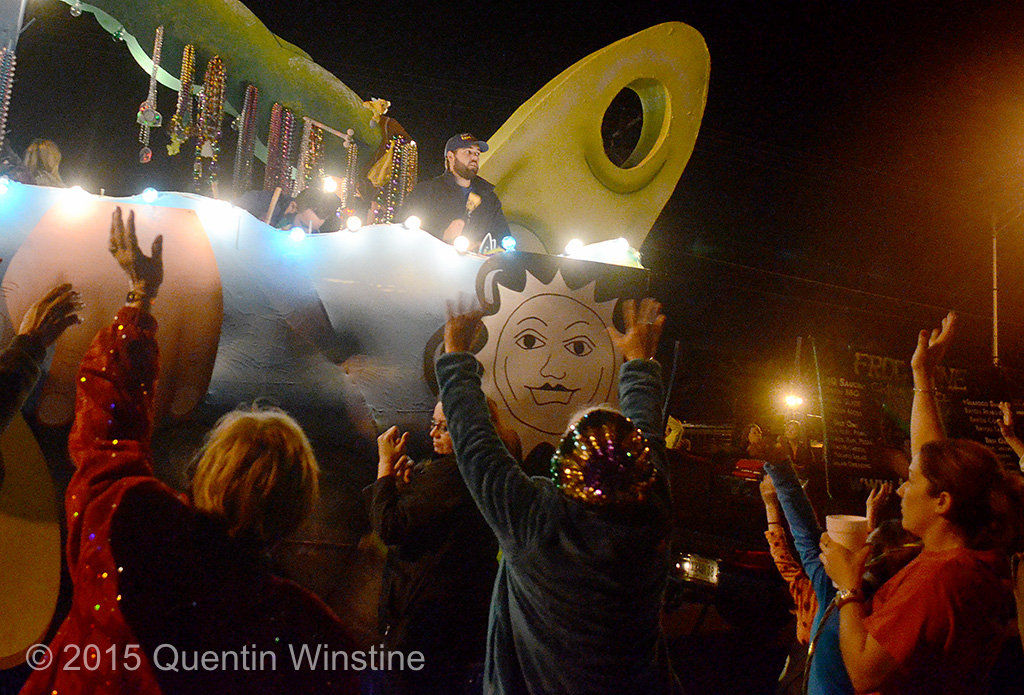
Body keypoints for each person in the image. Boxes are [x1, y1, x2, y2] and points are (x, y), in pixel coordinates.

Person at [20, 208, 359, 695]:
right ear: (297, 508)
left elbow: (106, 429)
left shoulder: (129, 518)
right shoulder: (306, 635)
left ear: (208, 468)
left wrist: (140, 299)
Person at [435, 296, 680, 694]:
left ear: (565, 462)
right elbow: (648, 433)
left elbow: (476, 443)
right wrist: (639, 365)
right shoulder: (651, 513)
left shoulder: (538, 523)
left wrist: (455, 355)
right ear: (638, 464)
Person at [820, 311, 1024, 695]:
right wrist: (922, 378)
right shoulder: (967, 556)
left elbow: (864, 674)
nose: (900, 490)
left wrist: (847, 587)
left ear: (943, 502)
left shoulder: (941, 581)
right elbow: (930, 457)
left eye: (909, 483)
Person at [364, 400, 499, 694]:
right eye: (433, 424)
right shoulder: (479, 470)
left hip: (425, 631)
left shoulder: (453, 474)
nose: (433, 433)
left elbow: (389, 526)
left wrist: (385, 466)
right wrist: (407, 487)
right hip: (454, 631)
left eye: (445, 427)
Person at [399, 133, 509, 248]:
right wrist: (442, 234)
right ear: (451, 157)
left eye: (477, 153)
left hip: (474, 264)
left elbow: (502, 237)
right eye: (468, 152)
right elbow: (402, 225)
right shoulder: (427, 191)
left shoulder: (489, 198)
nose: (474, 158)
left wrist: (479, 246)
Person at [239, 186, 342, 232]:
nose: (306, 233)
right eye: (304, 225)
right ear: (293, 207)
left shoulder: (312, 236)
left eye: (311, 230)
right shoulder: (258, 201)